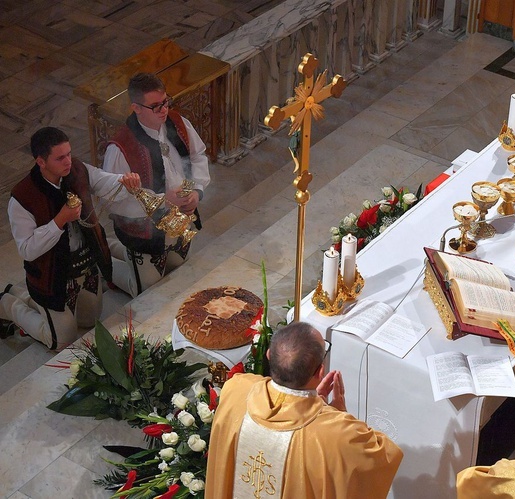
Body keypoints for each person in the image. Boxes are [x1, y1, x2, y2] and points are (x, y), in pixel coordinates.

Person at [205, 322, 403, 498]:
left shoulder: (236, 389)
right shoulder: (338, 435)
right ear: (320, 371)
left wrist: (319, 406)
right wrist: (339, 415)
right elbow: (385, 456)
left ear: (268, 355)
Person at [0, 127, 140, 350]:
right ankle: (7, 305)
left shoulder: (76, 169)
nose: (68, 161)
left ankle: (24, 297)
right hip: (53, 276)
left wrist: (126, 182)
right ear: (41, 161)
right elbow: (26, 249)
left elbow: (105, 182)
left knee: (89, 321)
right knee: (61, 341)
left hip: (85, 267)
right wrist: (59, 221)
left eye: (69, 153)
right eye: (60, 157)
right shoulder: (22, 196)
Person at [102, 72, 210, 298]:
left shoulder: (178, 123)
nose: (164, 110)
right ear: (136, 108)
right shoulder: (121, 147)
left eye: (165, 102)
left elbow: (197, 156)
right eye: (155, 106)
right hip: (144, 231)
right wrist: (163, 200)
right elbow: (114, 201)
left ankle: (115, 251)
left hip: (181, 220)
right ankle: (101, 263)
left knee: (176, 268)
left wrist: (196, 193)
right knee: (147, 288)